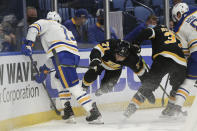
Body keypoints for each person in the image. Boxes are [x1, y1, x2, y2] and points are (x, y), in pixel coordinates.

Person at [21, 11, 103, 124]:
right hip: (71, 56)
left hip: (62, 56)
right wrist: (45, 71)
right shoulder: (63, 29)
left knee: (72, 86)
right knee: (57, 78)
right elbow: (53, 57)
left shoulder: (46, 23)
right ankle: (68, 111)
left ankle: (93, 111)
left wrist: (28, 44)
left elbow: (33, 27)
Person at [123, 24, 187, 118]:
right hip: (181, 62)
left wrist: (136, 43)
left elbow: (147, 32)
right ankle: (170, 110)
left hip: (164, 57)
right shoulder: (174, 34)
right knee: (177, 86)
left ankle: (128, 112)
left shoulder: (157, 29)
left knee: (148, 85)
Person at [161, 2, 197, 116]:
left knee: (187, 82)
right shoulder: (195, 10)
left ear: (177, 14)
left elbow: (185, 53)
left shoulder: (178, 28)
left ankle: (176, 108)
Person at [82, 39, 148, 96]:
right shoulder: (111, 44)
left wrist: (148, 87)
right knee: (91, 74)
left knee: (108, 87)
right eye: (118, 54)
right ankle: (84, 87)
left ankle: (101, 90)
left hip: (115, 69)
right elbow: (97, 49)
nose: (118, 58)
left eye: (122, 57)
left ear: (127, 56)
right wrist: (95, 59)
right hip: (101, 63)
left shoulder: (132, 59)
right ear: (116, 50)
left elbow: (140, 72)